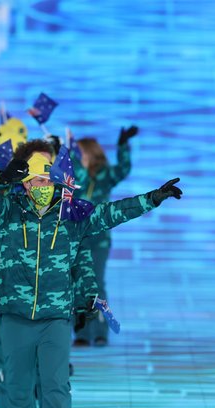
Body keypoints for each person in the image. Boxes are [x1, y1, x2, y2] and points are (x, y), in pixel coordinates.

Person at [0, 141, 182, 408]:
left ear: (55, 180)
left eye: (44, 180)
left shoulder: (72, 214)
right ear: (23, 183)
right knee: (17, 393)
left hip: (54, 318)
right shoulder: (7, 209)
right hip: (15, 317)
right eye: (33, 181)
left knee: (56, 392)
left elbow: (111, 213)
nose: (39, 186)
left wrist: (151, 199)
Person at [72, 126, 138, 346]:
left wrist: (123, 146)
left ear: (90, 153)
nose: (77, 155)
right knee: (76, 284)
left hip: (99, 241)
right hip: (76, 240)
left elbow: (124, 169)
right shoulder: (72, 177)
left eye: (80, 151)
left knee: (97, 284)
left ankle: (100, 330)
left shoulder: (105, 176)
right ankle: (81, 332)